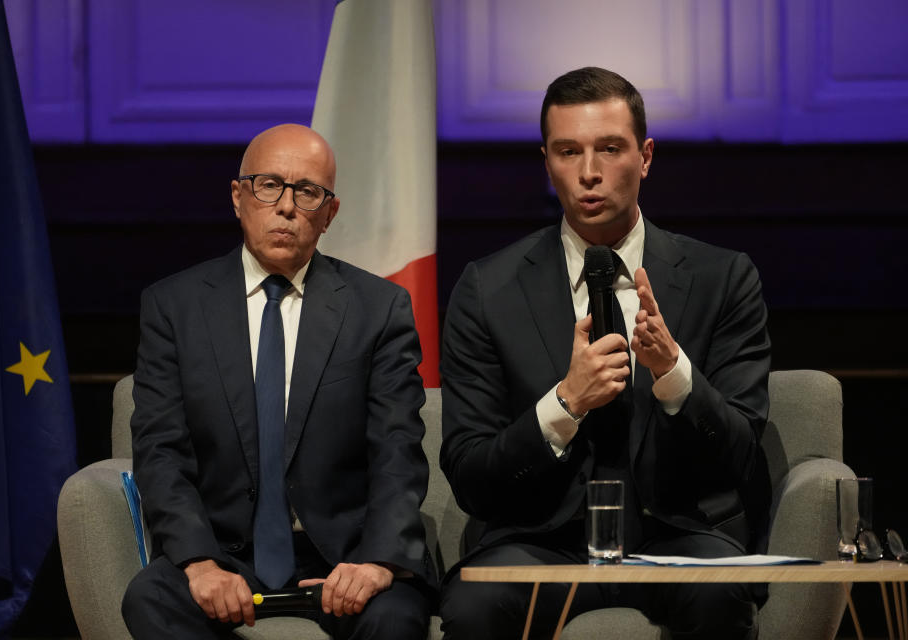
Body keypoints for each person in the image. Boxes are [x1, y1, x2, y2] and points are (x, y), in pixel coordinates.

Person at [439, 67, 771, 639]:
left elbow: (742, 456)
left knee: (720, 596)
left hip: (678, 535)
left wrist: (674, 376)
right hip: (538, 541)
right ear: (546, 162)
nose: (589, 173)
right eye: (568, 151)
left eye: (609, 149)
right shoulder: (486, 289)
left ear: (644, 157)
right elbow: (470, 473)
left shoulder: (724, 278)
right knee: (472, 607)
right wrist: (565, 404)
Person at [122, 124, 436, 640]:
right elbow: (161, 451)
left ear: (329, 213)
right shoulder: (174, 307)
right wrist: (199, 563)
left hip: (343, 557)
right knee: (150, 599)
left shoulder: (378, 309)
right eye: (269, 185)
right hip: (224, 552)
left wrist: (377, 563)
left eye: (308, 192)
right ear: (238, 196)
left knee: (394, 618)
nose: (287, 207)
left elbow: (397, 452)